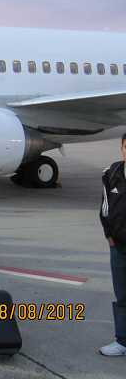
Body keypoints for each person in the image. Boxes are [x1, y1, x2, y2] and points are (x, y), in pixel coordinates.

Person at [98, 134, 126, 356]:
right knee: (122, 294)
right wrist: (109, 236)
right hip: (118, 245)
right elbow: (105, 207)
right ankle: (122, 341)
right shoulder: (111, 173)